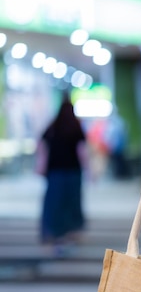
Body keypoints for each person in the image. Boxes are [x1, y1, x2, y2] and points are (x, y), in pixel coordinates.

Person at [39, 94, 87, 248]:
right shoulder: (75, 126)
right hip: (73, 171)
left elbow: (41, 145)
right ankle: (71, 232)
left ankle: (52, 232)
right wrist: (89, 169)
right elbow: (81, 151)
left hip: (55, 171)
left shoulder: (54, 126)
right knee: (72, 201)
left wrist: (42, 165)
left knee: (54, 202)